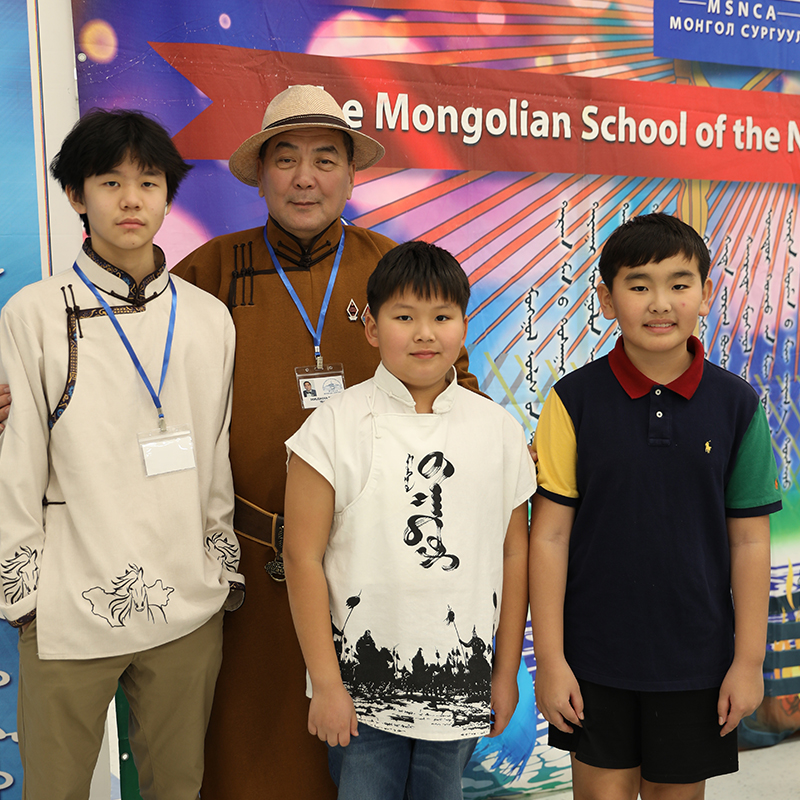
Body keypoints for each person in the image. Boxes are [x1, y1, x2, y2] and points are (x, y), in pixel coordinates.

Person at [170, 85, 480, 799]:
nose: (304, 178)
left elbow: (455, 386)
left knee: (367, 758)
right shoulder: (211, 271)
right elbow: (136, 375)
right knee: (251, 756)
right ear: (260, 174)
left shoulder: (392, 267)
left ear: (351, 172)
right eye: (286, 159)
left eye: (324, 159)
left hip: (380, 565)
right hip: (248, 565)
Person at [0, 109, 244, 800]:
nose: (131, 199)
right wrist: (26, 598)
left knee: (178, 787)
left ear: (169, 196)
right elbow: (16, 463)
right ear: (76, 195)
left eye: (149, 182)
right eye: (110, 182)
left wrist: (218, 570)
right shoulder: (33, 313)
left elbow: (218, 453)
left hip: (185, 603)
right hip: (69, 604)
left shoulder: (207, 317)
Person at [529, 213, 782, 800]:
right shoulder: (572, 401)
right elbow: (550, 537)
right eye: (639, 285)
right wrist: (552, 659)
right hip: (594, 658)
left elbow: (749, 541)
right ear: (607, 300)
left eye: (679, 284)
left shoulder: (738, 405)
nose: (660, 302)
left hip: (697, 659)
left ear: (706, 294)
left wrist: (748, 662)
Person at [283, 241, 536, 799]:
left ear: (465, 325)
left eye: (442, 317)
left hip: (463, 688)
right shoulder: (333, 425)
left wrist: (505, 672)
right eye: (404, 318)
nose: (425, 334)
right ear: (372, 328)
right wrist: (326, 683)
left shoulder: (498, 429)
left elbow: (514, 552)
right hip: (360, 694)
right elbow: (301, 557)